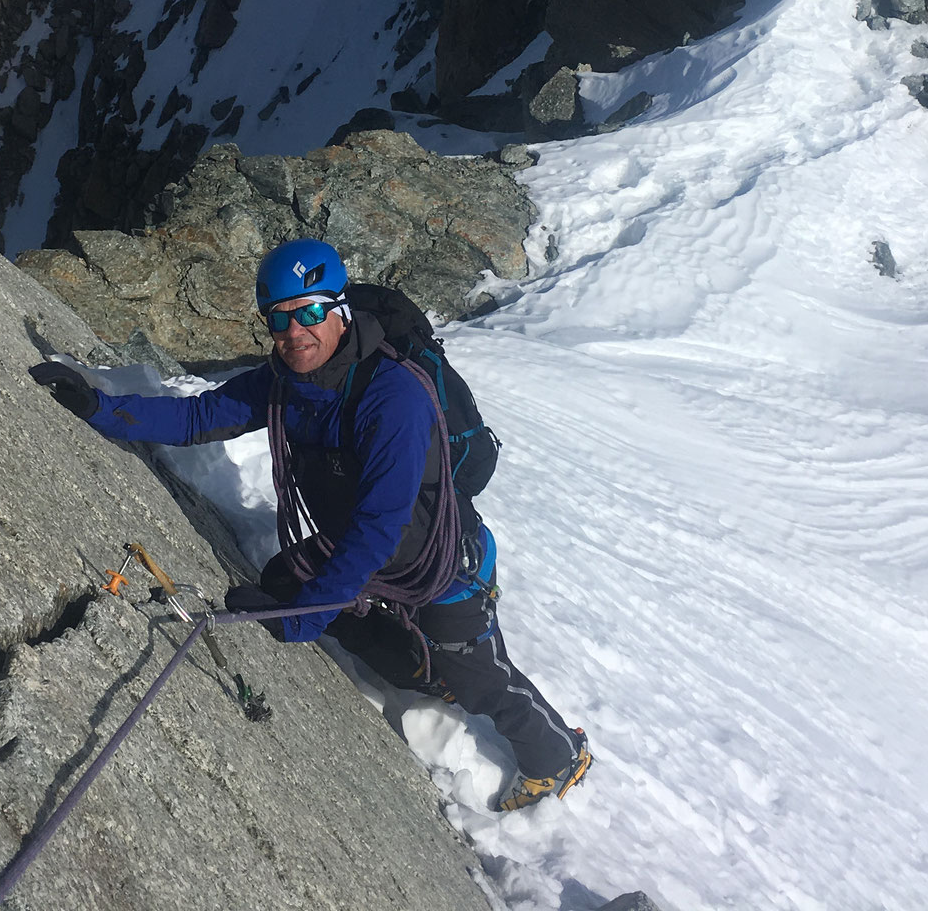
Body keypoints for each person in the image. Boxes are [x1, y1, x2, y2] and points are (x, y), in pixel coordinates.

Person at [31, 236, 590, 811]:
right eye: (280, 319)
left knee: (480, 678)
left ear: (340, 312)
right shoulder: (284, 382)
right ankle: (424, 672)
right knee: (283, 588)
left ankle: (560, 757)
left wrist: (309, 614)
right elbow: (200, 415)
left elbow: (381, 527)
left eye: (312, 312)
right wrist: (100, 409)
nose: (296, 332)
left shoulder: (392, 396)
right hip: (360, 550)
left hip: (438, 563)